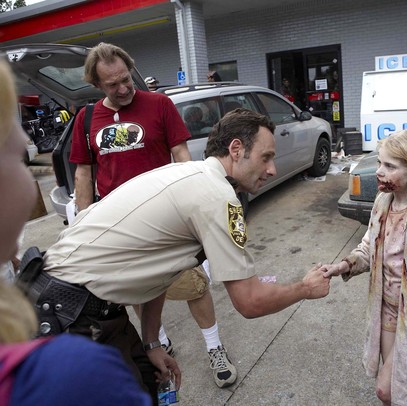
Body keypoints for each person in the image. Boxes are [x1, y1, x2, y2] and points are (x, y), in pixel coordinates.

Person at [21, 108, 330, 402]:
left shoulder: (191, 174)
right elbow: (250, 302)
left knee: (148, 385)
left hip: (70, 303)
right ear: (236, 150)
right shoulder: (216, 196)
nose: (272, 169)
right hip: (68, 315)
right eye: (266, 157)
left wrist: (152, 341)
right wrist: (304, 288)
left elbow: (160, 270)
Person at [70, 42, 237, 389]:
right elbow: (83, 174)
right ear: (98, 85)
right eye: (113, 84)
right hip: (117, 228)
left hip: (165, 223)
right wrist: (83, 225)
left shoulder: (159, 105)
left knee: (193, 285)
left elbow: (181, 155)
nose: (124, 87)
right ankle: (156, 341)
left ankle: (214, 346)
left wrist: (195, 208)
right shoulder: (86, 119)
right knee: (135, 291)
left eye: (126, 78)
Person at [0, 58, 151, 406]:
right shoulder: (73, 371)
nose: (25, 138)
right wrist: (86, 224)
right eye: (8, 132)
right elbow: (82, 172)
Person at [320, 129, 407, 406]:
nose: (379, 172)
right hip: (386, 313)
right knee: (400, 391)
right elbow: (369, 246)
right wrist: (345, 265)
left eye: (390, 166)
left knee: (388, 390)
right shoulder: (383, 203)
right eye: (379, 163)